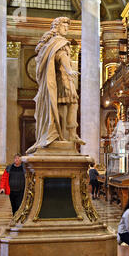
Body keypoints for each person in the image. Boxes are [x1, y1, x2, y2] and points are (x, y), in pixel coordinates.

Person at [26, 17, 84, 154]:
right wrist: (69, 70)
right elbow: (61, 56)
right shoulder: (59, 43)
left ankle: (69, 134)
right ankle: (65, 135)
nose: (66, 29)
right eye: (64, 26)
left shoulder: (53, 43)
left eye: (67, 27)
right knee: (65, 108)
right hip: (61, 82)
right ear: (57, 27)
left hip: (63, 80)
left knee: (70, 106)